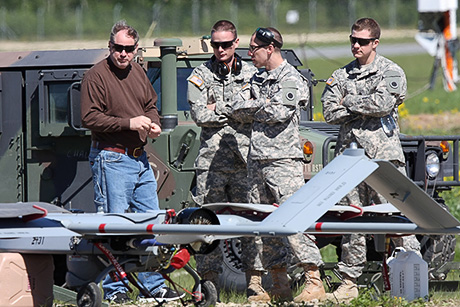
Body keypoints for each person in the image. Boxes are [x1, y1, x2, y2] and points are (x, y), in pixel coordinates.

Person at [80, 20, 184, 304]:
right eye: (117, 48)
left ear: (136, 49)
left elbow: (150, 103)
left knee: (150, 223)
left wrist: (153, 122)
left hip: (139, 159)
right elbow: (89, 118)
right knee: (117, 227)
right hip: (111, 157)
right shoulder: (96, 76)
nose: (122, 54)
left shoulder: (137, 71)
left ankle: (152, 286)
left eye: (128, 49)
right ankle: (116, 290)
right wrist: (130, 122)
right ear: (109, 46)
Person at [321, 17, 421, 303]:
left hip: (383, 159)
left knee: (396, 219)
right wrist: (361, 104)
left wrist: (348, 103)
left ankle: (410, 277)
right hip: (350, 158)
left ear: (375, 43)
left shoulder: (391, 71)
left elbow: (383, 104)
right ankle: (349, 282)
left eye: (362, 41)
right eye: (352, 39)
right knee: (352, 221)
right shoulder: (341, 74)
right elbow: (329, 111)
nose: (356, 45)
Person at [228, 27, 326, 304]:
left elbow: (279, 112)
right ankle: (279, 283)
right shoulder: (255, 77)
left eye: (254, 48)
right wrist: (261, 103)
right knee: (263, 224)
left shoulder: (291, 78)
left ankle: (313, 281)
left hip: (283, 161)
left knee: (295, 220)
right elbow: (235, 105)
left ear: (269, 48)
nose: (249, 54)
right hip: (256, 160)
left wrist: (254, 105)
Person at [187, 20, 261, 296]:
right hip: (212, 163)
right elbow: (199, 115)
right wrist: (237, 110)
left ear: (236, 43)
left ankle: (254, 280)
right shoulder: (200, 75)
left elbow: (256, 110)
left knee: (250, 221)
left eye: (226, 44)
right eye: (215, 44)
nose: (220, 49)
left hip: (244, 160)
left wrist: (218, 107)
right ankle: (208, 283)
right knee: (208, 222)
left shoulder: (254, 74)